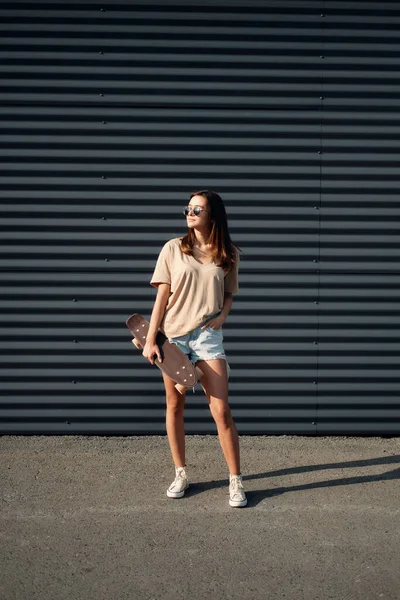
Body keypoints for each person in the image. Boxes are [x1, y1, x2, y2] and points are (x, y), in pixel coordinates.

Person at [143, 190, 247, 508]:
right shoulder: (173, 248)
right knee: (174, 406)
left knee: (221, 411)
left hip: (206, 337)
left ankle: (235, 481)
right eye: (187, 208)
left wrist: (223, 317)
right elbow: (162, 296)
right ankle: (181, 473)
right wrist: (150, 338)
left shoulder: (228, 253)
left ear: (212, 215)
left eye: (197, 208)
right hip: (173, 337)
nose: (189, 212)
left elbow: (229, 293)